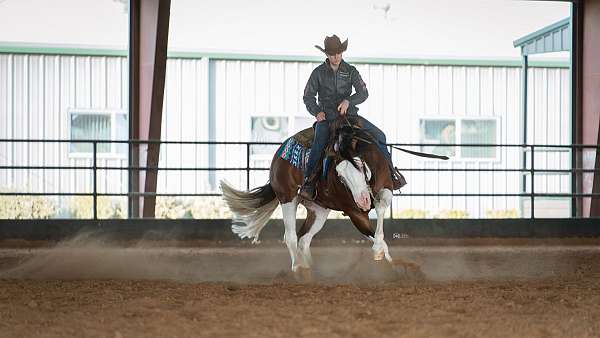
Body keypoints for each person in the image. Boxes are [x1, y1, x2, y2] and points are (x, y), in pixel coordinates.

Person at [299, 34, 404, 200]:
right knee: (319, 143)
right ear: (326, 54)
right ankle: (309, 182)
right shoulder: (317, 73)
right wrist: (317, 111)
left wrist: (349, 100)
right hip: (327, 117)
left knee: (380, 136)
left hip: (350, 116)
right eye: (333, 54)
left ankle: (391, 174)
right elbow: (308, 97)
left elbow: (363, 93)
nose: (336, 57)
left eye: (339, 53)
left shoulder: (351, 71)